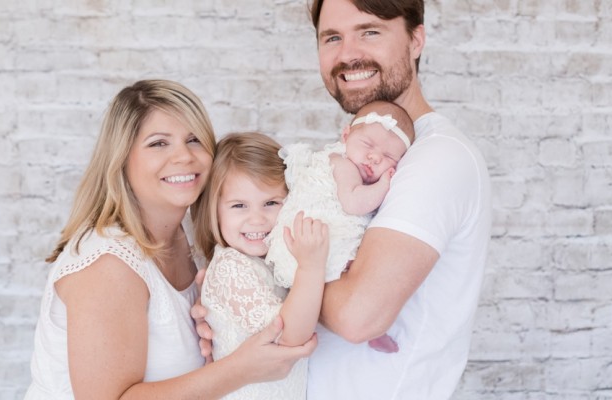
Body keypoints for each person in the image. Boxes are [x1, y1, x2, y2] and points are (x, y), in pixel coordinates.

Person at [195, 0, 492, 398]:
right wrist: (232, 298)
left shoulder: (437, 158)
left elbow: (357, 315)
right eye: (332, 37)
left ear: (416, 39)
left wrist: (262, 279)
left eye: (369, 31)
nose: (348, 54)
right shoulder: (357, 154)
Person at [25, 79, 316, 400]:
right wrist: (240, 368)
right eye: (159, 143)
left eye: (193, 140)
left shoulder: (198, 237)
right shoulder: (107, 265)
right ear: (121, 158)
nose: (184, 156)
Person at [193, 132, 329, 399]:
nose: (257, 219)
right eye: (239, 205)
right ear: (214, 211)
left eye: (270, 203)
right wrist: (311, 267)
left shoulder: (271, 263)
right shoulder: (230, 266)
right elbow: (288, 337)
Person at [266, 100, 414, 290]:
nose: (375, 157)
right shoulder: (343, 164)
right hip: (310, 247)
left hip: (304, 247)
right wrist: (384, 184)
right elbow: (354, 203)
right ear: (346, 136)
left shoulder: (349, 163)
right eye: (367, 144)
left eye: (389, 156)